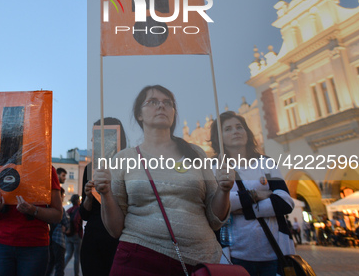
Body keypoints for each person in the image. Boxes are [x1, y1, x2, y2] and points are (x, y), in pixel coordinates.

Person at [95, 85, 233, 276]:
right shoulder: (123, 158)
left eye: (167, 103)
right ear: (139, 114)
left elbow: (215, 220)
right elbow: (115, 229)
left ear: (173, 113)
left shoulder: (195, 153)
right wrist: (106, 193)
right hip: (138, 258)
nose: (161, 106)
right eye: (152, 102)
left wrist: (224, 190)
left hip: (200, 261)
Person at [210, 110, 294, 276]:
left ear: (247, 132)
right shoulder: (214, 167)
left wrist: (243, 208)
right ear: (219, 138)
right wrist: (257, 195)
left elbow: (285, 202)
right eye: (228, 129)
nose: (235, 131)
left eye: (239, 127)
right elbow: (216, 207)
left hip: (274, 253)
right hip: (234, 256)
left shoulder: (266, 163)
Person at [0, 167, 63, 276]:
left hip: (34, 247)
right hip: (1, 246)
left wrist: (33, 210)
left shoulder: (47, 168)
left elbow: (58, 215)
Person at [79, 118, 124, 276]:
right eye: (93, 136)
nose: (92, 140)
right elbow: (84, 214)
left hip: (119, 242)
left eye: (97, 136)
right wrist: (88, 197)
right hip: (93, 241)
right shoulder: (90, 168)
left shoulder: (127, 166)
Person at [46, 188, 70, 276]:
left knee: (50, 264)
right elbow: (66, 222)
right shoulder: (60, 209)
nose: (63, 198)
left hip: (49, 240)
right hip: (58, 239)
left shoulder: (47, 207)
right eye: (63, 196)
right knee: (59, 265)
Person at [64, 194, 83, 276]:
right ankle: (76, 274)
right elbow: (77, 221)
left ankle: (60, 269)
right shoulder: (79, 210)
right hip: (76, 235)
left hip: (68, 235)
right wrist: (78, 233)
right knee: (77, 256)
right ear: (77, 201)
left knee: (68, 254)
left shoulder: (68, 210)